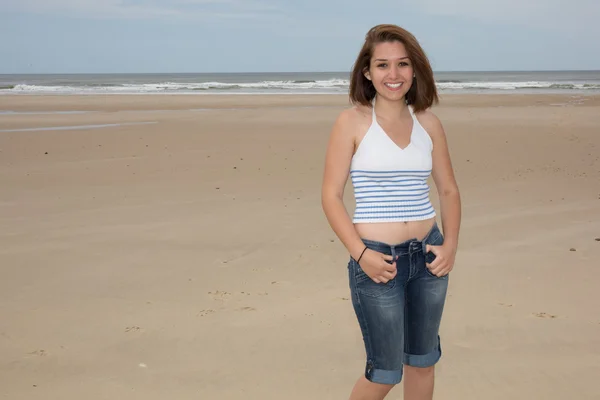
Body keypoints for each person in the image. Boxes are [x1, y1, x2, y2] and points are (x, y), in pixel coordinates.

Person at [321, 24, 461, 400]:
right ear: (367, 72)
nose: (393, 75)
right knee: (384, 372)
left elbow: (448, 189)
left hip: (429, 257)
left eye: (402, 64)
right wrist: (361, 253)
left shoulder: (428, 123)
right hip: (377, 260)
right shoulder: (351, 122)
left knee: (423, 361)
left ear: (415, 69)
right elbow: (331, 196)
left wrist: (450, 246)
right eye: (382, 65)